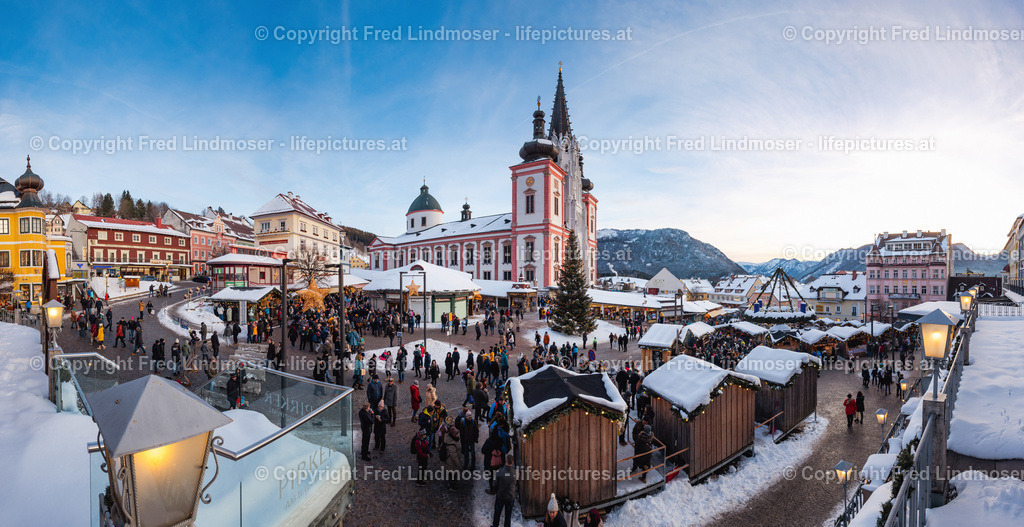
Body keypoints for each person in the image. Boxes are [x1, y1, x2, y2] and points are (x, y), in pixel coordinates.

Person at [492, 453, 516, 527]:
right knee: (508, 516)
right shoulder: (515, 472)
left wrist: (496, 491)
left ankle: (495, 526)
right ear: (512, 462)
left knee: (497, 513)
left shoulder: (500, 472)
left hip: (501, 496)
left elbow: (495, 484)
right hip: (510, 497)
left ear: (505, 461)